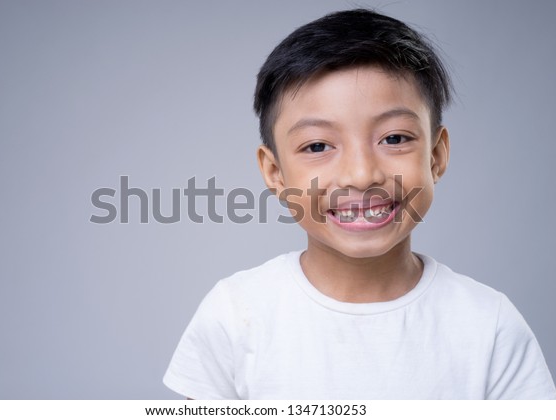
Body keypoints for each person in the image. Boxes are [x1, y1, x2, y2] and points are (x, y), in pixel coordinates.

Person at [163, 9, 556, 399]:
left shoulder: (489, 325)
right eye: (317, 146)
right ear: (275, 173)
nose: (361, 174)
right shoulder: (234, 314)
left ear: (436, 156)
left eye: (395, 138)